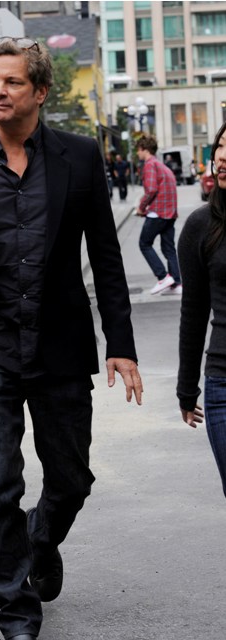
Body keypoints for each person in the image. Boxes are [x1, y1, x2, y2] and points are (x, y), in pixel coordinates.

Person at [0, 37, 143, 640]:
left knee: (71, 480)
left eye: (12, 82)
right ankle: (16, 611)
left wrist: (121, 344)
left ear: (39, 91)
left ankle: (40, 542)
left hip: (59, 346)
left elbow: (106, 257)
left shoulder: (78, 156)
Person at [177, 121, 226, 498]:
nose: (222, 157)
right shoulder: (200, 225)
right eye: (220, 147)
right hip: (223, 382)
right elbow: (193, 312)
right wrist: (186, 387)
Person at [135, 135, 182, 295]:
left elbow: (151, 190)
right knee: (169, 249)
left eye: (138, 150)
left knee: (144, 244)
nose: (137, 153)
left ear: (145, 149)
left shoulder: (149, 165)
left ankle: (163, 277)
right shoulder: (162, 166)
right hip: (170, 213)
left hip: (158, 213)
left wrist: (141, 207)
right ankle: (177, 284)